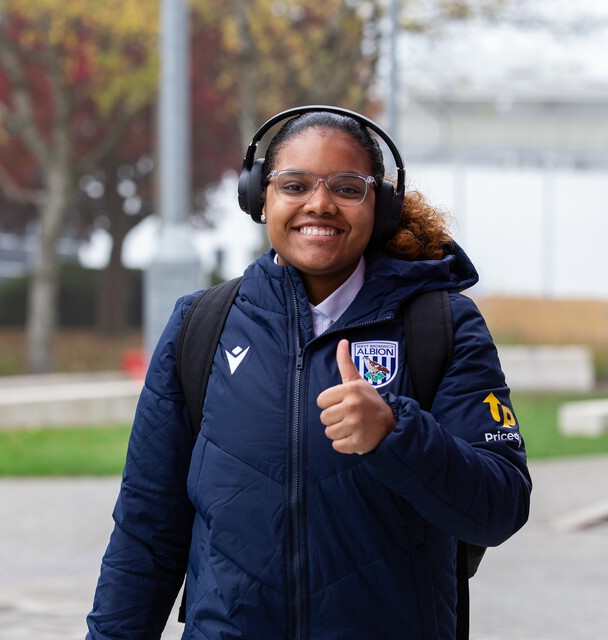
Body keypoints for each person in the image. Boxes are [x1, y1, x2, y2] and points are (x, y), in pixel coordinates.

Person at [86, 106, 531, 640]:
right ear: (259, 197)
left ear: (380, 205)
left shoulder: (441, 324)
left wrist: (397, 435)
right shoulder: (200, 325)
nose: (319, 204)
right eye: (294, 184)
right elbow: (145, 530)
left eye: (347, 187)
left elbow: (500, 506)